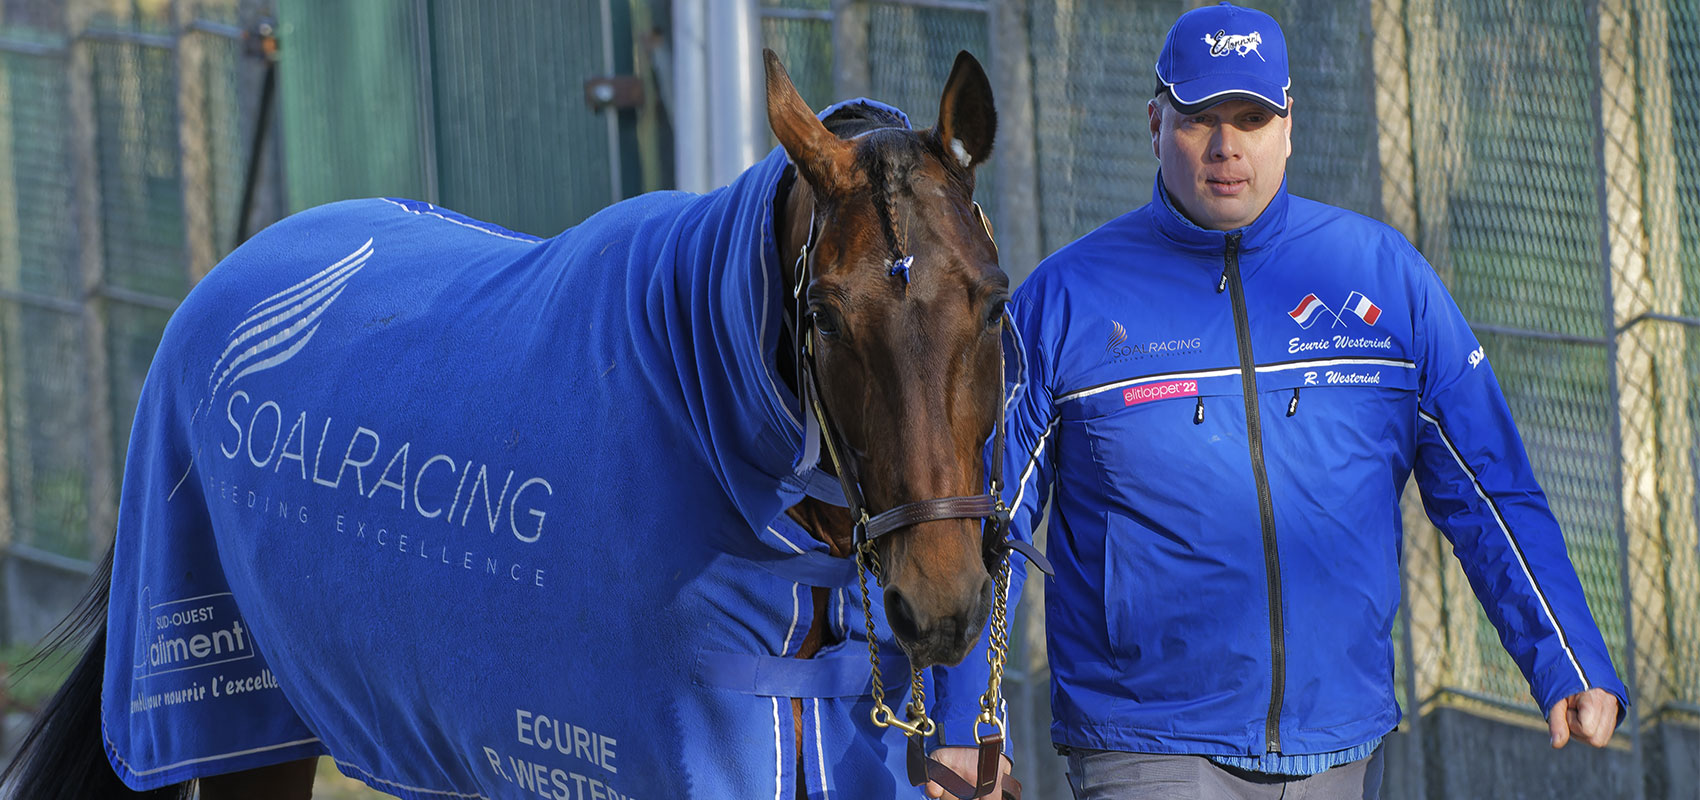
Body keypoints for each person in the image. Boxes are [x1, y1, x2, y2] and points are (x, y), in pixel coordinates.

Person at [999, 3, 1628, 798]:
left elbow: (1488, 485)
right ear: (1156, 123)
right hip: (1144, 739)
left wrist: (1565, 655)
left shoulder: (1384, 278)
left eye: (1252, 118)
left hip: (1340, 742)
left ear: (1288, 125)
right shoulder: (1063, 300)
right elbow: (991, 523)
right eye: (1199, 119)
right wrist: (966, 725)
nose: (1227, 147)